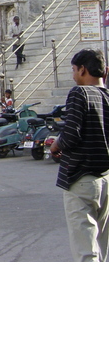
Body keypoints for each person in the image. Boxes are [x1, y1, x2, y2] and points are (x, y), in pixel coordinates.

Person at [50, 49, 109, 262]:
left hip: (81, 179)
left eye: (74, 70)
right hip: (105, 180)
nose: (74, 75)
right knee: (102, 248)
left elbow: (71, 134)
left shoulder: (79, 93)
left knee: (86, 251)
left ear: (82, 70)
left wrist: (56, 144)